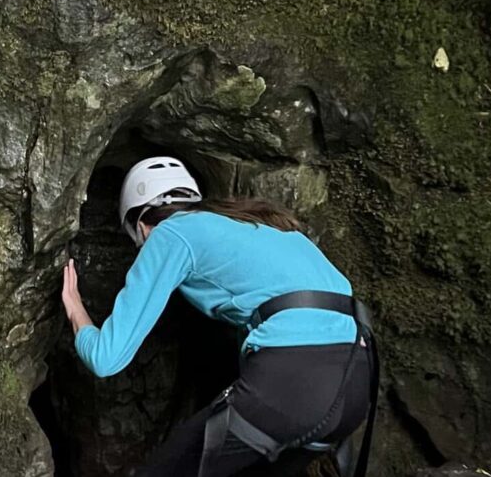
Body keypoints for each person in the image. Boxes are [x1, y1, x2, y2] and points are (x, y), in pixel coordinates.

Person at [61, 157, 378, 477]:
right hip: (356, 384)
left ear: (141, 225)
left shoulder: (170, 233)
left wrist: (76, 310)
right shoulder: (264, 226)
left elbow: (107, 358)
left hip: (293, 381)